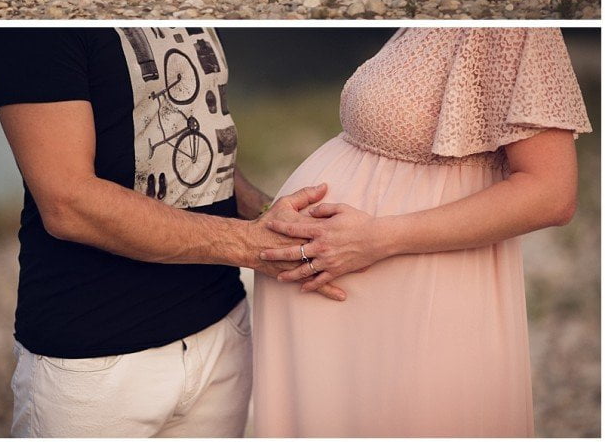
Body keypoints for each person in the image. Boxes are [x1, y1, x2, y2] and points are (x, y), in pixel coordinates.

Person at [0, 26, 338, 438]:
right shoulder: (31, 33)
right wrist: (250, 244)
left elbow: (196, 129)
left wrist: (267, 215)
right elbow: (68, 203)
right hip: (96, 362)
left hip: (221, 330)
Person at [253, 27, 592, 437]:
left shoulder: (512, 30)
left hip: (416, 303)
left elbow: (551, 193)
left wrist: (377, 238)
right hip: (351, 328)